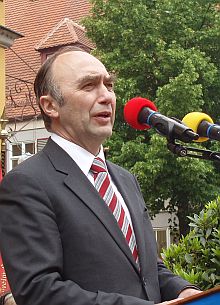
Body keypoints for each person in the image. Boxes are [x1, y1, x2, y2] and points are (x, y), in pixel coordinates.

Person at [0, 46, 201, 305]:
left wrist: (183, 291)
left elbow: (148, 269)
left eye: (109, 84)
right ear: (50, 106)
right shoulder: (27, 183)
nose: (107, 96)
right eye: (89, 86)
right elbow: (39, 291)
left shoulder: (125, 179)